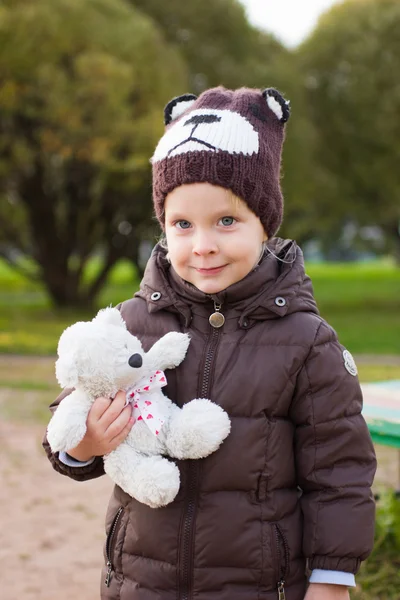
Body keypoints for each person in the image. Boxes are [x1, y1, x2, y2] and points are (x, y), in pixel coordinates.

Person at [43, 86, 376, 600]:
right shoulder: (130, 323)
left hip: (257, 583)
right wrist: (83, 447)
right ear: (164, 228)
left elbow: (339, 472)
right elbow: (70, 418)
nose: (203, 245)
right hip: (141, 581)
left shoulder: (306, 342)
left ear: (264, 224)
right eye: (182, 224)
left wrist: (331, 579)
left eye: (227, 221)